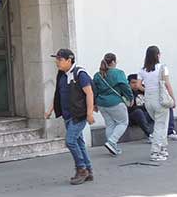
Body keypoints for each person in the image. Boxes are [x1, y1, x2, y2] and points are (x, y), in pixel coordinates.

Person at [45, 49, 95, 185]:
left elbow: (89, 93)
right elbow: (58, 95)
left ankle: (81, 169)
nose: (57, 62)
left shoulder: (80, 74)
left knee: (70, 141)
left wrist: (89, 113)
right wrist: (50, 110)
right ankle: (89, 170)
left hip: (79, 115)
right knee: (79, 143)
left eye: (60, 60)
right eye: (56, 59)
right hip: (67, 115)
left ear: (69, 60)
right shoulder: (62, 75)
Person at [140, 45, 176, 163]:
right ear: (158, 55)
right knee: (160, 126)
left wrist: (148, 90)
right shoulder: (162, 68)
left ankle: (163, 148)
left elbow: (138, 85)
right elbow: (167, 84)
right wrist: (173, 98)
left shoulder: (142, 70)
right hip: (160, 99)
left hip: (148, 100)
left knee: (160, 124)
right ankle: (155, 152)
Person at [93, 53, 132, 156]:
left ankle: (113, 147)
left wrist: (94, 103)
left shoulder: (97, 75)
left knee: (110, 124)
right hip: (115, 102)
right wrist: (130, 97)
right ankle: (112, 142)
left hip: (101, 103)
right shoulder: (118, 73)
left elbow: (94, 90)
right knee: (123, 122)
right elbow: (125, 86)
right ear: (113, 62)